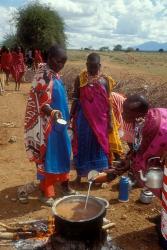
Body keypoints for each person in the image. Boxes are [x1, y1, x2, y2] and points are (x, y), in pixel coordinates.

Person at [24, 44, 76, 206]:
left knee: (65, 153)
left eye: (64, 62)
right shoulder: (43, 76)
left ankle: (65, 185)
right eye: (59, 61)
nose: (62, 65)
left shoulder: (54, 74)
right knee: (49, 157)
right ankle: (46, 192)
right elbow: (41, 101)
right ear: (50, 58)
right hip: (47, 127)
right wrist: (52, 112)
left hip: (60, 125)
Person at [114, 94, 167, 249]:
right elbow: (139, 147)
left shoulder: (158, 126)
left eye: (125, 113)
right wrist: (129, 160)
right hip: (159, 163)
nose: (122, 115)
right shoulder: (142, 120)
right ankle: (163, 214)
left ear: (138, 114)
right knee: (158, 186)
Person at [70, 53, 123, 182]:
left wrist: (110, 122)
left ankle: (100, 175)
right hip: (83, 119)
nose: (91, 70)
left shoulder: (105, 81)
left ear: (99, 66)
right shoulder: (80, 79)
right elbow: (76, 99)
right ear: (86, 65)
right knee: (82, 144)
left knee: (100, 146)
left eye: (94, 67)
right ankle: (80, 174)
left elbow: (108, 103)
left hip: (101, 121)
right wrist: (71, 116)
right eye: (89, 66)